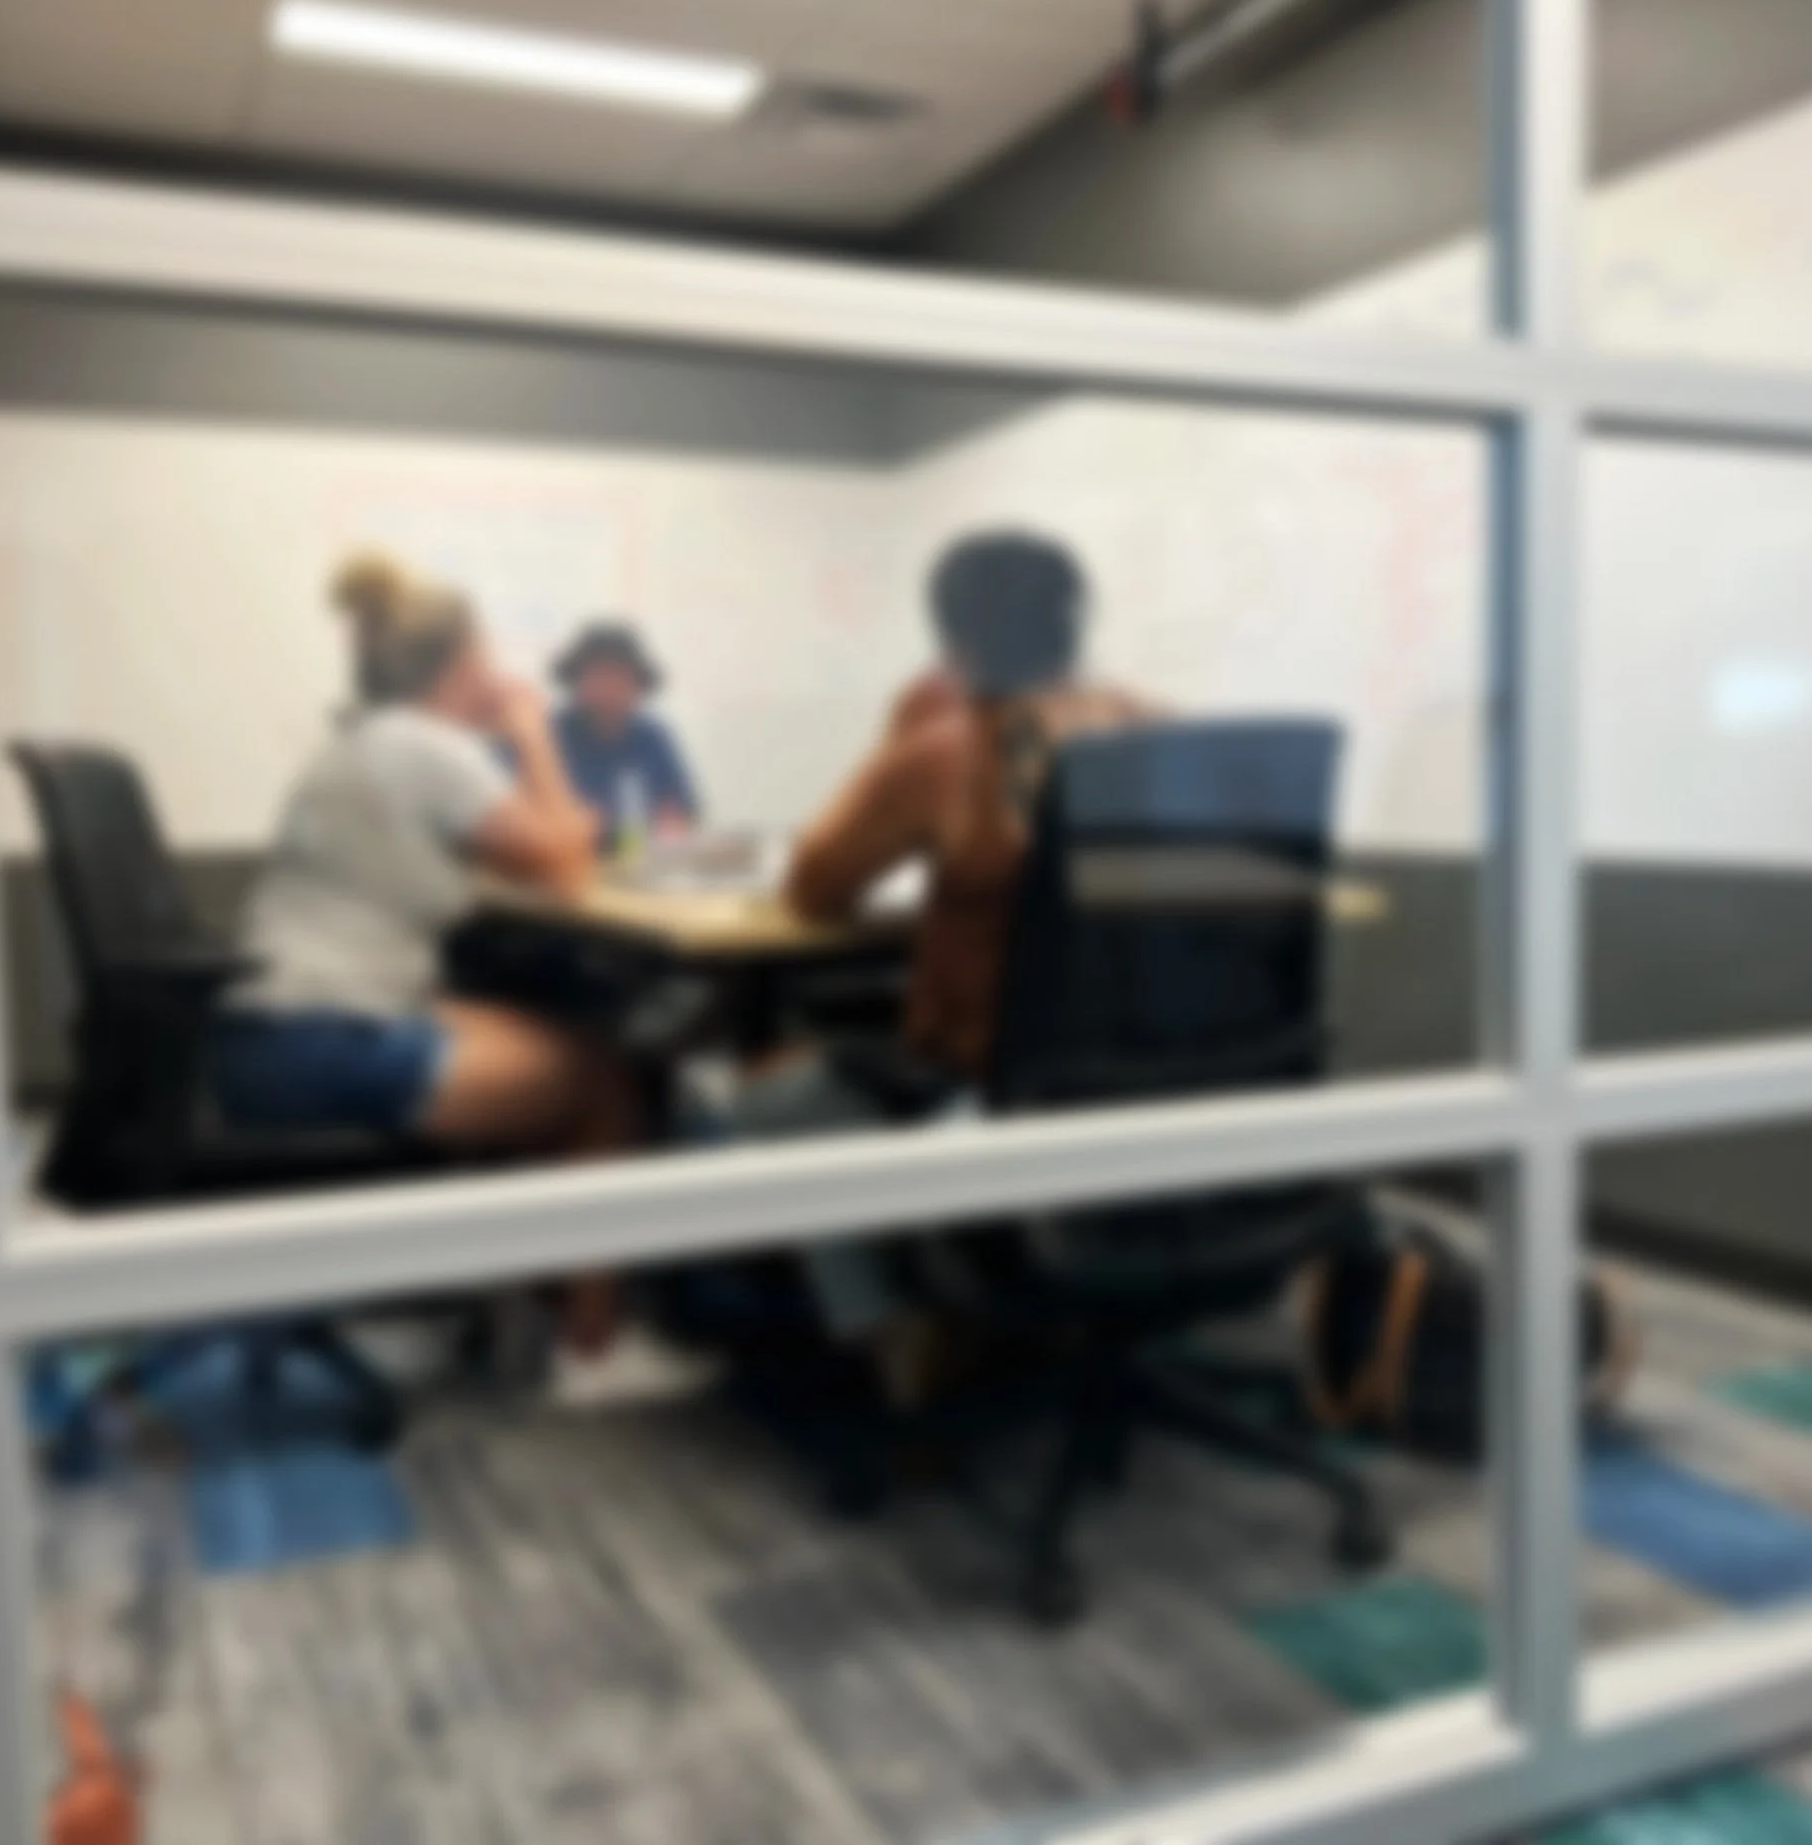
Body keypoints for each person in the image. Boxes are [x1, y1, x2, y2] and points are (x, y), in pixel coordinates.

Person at [702, 530, 1149, 1346]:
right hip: (1152, 1083)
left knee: (760, 1101)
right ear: (1075, 624)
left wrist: (897, 751)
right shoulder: (1152, 725)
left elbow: (813, 887)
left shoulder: (952, 748)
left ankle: (892, 1336)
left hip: (995, 1091)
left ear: (954, 641)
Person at [210, 554, 637, 1157]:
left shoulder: (360, 741)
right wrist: (533, 731)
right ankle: (563, 1251)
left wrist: (555, 835)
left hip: (260, 1033)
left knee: (571, 1040)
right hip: (326, 1041)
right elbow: (570, 872)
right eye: (486, 655)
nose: (497, 672)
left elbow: (546, 850)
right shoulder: (431, 748)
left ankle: (511, 1239)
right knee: (606, 1081)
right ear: (460, 664)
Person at [548, 620, 700, 847]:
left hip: (644, 865)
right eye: (598, 676)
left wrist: (673, 824)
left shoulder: (653, 736)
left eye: (620, 676)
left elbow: (682, 809)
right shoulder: (548, 735)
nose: (609, 688)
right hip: (563, 863)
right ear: (576, 681)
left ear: (639, 684)